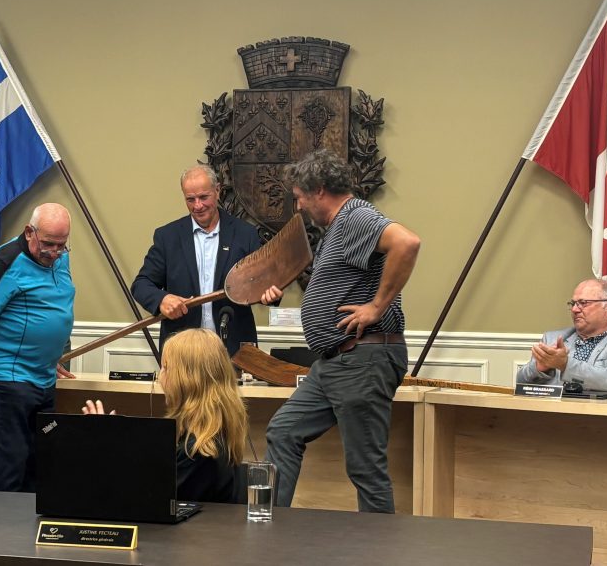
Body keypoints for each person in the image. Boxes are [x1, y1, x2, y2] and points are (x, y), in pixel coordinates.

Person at [262, 149, 420, 513]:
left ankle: (377, 544)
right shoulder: (335, 230)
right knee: (283, 431)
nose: (299, 206)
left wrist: (376, 307)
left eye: (300, 197)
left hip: (361, 358)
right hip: (335, 362)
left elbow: (407, 243)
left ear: (319, 189)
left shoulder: (354, 216)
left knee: (366, 468)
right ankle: (270, 530)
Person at [0, 203, 76, 492]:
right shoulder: (5, 263)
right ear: (29, 232)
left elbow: (48, 306)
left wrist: (48, 353)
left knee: (40, 467)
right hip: (9, 380)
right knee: (10, 468)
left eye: (61, 245)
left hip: (43, 377)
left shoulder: (59, 257)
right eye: (48, 244)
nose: (54, 253)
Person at [82, 328, 247, 502]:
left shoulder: (197, 453)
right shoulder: (212, 437)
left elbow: (140, 500)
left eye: (166, 368)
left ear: (187, 380)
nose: (160, 376)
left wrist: (101, 448)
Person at [131, 165, 265, 356]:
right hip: (183, 349)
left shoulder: (245, 234)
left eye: (203, 197)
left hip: (233, 348)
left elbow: (263, 282)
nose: (198, 206)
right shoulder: (168, 237)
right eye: (190, 199)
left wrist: (270, 293)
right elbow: (141, 284)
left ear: (217, 191)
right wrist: (162, 299)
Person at [516, 279, 607, 394]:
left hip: (601, 415)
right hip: (551, 413)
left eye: (583, 303)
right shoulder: (552, 339)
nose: (574, 309)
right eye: (573, 304)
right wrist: (539, 368)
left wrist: (565, 364)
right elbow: (520, 382)